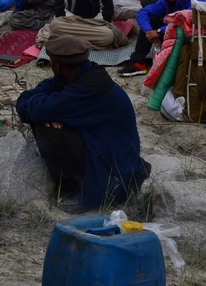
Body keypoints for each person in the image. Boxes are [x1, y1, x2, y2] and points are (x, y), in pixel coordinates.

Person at [16, 37, 150, 213]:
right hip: (99, 145)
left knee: (47, 130)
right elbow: (24, 100)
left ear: (57, 65)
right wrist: (43, 112)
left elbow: (37, 110)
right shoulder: (75, 75)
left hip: (115, 171)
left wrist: (43, 113)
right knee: (45, 119)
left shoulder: (90, 87)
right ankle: (75, 184)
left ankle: (86, 192)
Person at [119, 0, 205, 77]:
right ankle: (138, 63)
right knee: (151, 19)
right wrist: (149, 31)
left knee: (180, 25)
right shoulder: (167, 0)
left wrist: (159, 31)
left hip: (189, 38)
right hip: (172, 34)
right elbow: (143, 13)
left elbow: (187, 20)